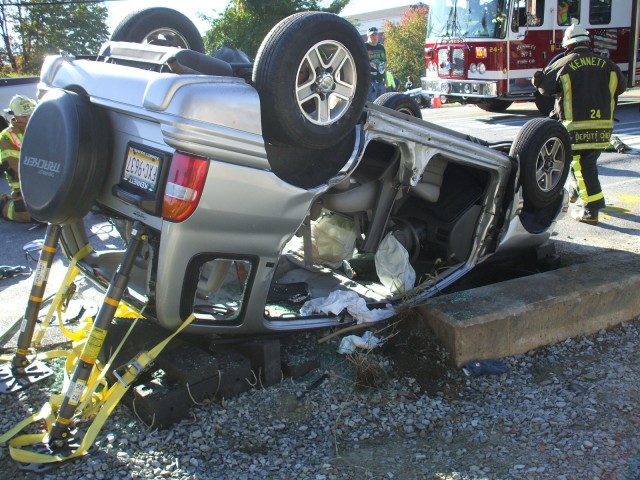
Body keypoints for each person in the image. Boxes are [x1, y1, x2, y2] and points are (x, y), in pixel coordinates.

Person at [531, 20, 627, 224]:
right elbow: (621, 87)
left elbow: (544, 89)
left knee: (583, 166)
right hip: (604, 129)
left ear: (567, 46)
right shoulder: (608, 65)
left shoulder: (563, 64)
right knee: (585, 164)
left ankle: (591, 209)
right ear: (587, 42)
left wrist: (537, 80)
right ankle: (574, 191)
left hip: (575, 128)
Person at [0, 95, 37, 222]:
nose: (28, 119)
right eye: (24, 116)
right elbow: (14, 168)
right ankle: (4, 205)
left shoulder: (39, 128)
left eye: (30, 114)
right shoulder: (7, 137)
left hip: (46, 182)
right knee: (36, 215)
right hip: (24, 188)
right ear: (15, 116)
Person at [365, 26, 386, 102]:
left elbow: (384, 63)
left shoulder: (381, 47)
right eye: (372, 35)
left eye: (376, 35)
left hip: (381, 81)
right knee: (372, 106)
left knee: (382, 104)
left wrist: (385, 78)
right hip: (370, 82)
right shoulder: (364, 47)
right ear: (368, 36)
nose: (374, 37)